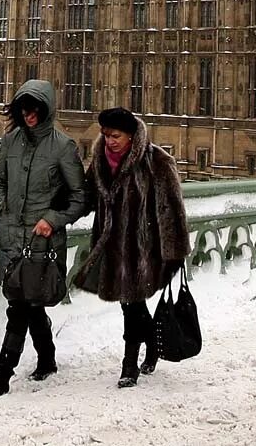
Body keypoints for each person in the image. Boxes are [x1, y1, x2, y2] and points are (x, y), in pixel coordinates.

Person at [73, 107, 191, 388]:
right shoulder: (100, 160)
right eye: (105, 135)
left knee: (130, 306)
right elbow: (88, 198)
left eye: (115, 135)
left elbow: (172, 209)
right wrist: (55, 216)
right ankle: (152, 344)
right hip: (112, 247)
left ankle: (129, 365)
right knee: (133, 305)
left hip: (143, 248)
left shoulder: (157, 161)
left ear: (130, 135)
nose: (109, 141)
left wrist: (175, 252)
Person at [0, 80, 87, 399]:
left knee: (19, 308)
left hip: (43, 243)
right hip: (11, 238)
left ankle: (1, 375)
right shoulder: (10, 141)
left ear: (47, 110)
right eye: (24, 109)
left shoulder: (63, 147)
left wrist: (52, 220)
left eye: (36, 109)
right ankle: (47, 358)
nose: (29, 115)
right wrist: (1, 207)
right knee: (27, 303)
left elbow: (80, 197)